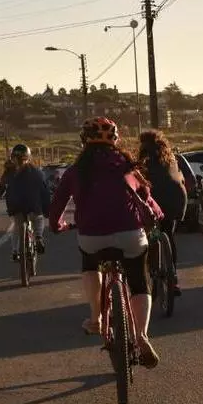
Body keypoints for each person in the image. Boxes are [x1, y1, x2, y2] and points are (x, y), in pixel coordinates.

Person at [49, 117, 163, 369]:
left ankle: (96, 318)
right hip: (131, 234)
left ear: (84, 142)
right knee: (138, 281)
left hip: (92, 236)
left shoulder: (75, 170)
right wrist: (159, 214)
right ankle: (141, 335)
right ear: (116, 140)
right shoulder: (126, 166)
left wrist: (57, 226)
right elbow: (147, 197)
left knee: (90, 263)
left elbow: (57, 205)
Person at [138, 130, 186, 296]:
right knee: (169, 236)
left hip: (154, 200)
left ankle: (153, 270)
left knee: (149, 236)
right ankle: (173, 278)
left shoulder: (142, 158)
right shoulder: (172, 157)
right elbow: (185, 179)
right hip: (176, 199)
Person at [0, 144, 50, 261]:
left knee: (17, 226)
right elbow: (45, 192)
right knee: (39, 218)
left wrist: (0, 193)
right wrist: (47, 210)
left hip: (16, 207)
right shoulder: (37, 172)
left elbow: (0, 189)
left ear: (12, 157)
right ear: (28, 157)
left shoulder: (8, 172)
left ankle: (15, 251)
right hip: (33, 205)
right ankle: (39, 237)